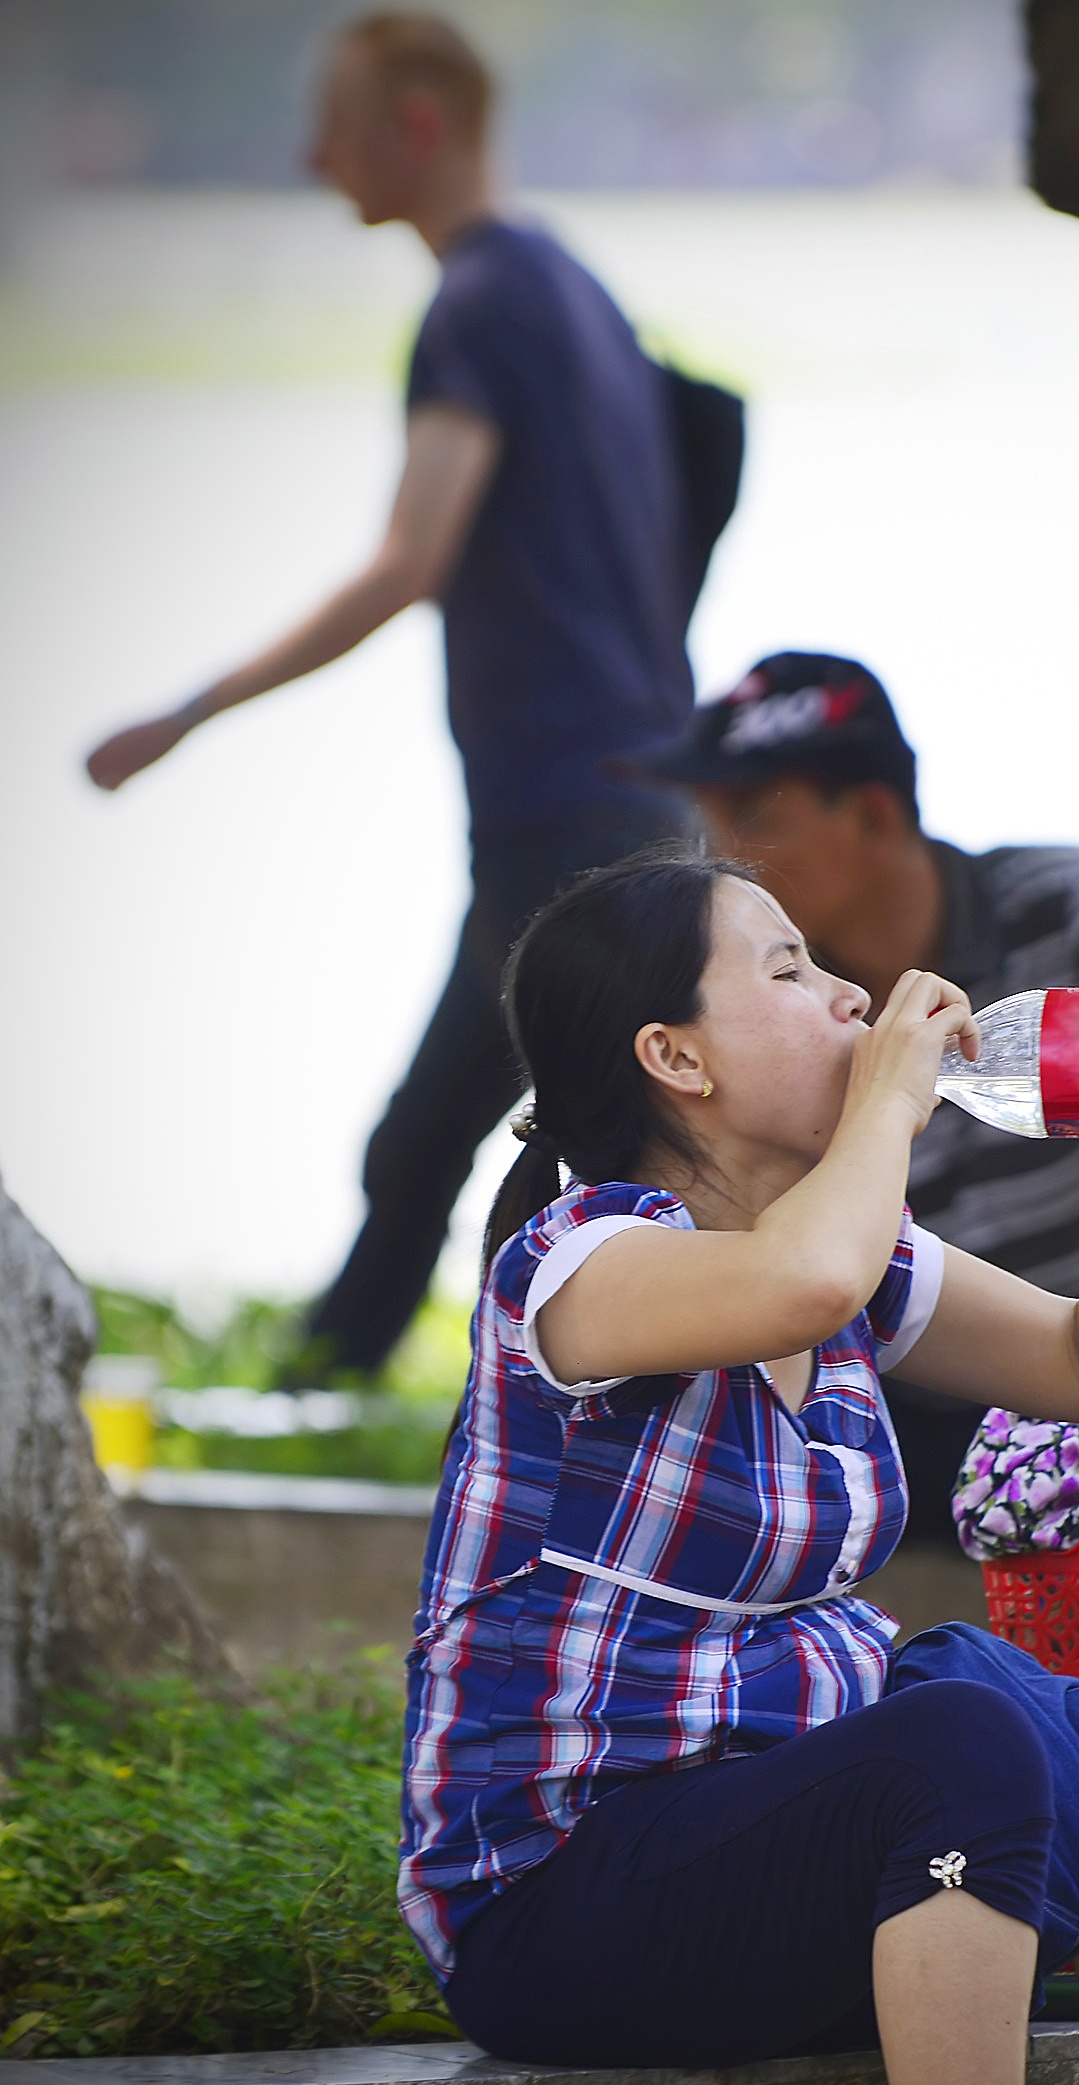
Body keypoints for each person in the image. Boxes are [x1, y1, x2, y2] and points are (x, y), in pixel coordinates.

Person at [402, 846, 1079, 2085]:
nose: (855, 999)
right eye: (791, 970)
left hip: (791, 1846)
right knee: (957, 1744)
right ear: (676, 1061)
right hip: (563, 1904)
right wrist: (896, 1101)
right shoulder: (576, 1264)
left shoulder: (850, 1254)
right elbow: (799, 1281)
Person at [84, 13, 726, 1381]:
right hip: (647, 787)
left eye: (335, 120)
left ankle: (326, 1388)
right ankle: (386, 1381)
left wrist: (186, 711)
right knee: (579, 1130)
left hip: (566, 813)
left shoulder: (480, 303)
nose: (315, 156)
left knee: (447, 1130)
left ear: (416, 125)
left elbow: (408, 560)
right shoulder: (572, 286)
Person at [645, 651, 1079, 1540]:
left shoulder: (1060, 907)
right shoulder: (777, 1037)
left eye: (748, 820)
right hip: (911, 1399)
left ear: (870, 814)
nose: (723, 864)